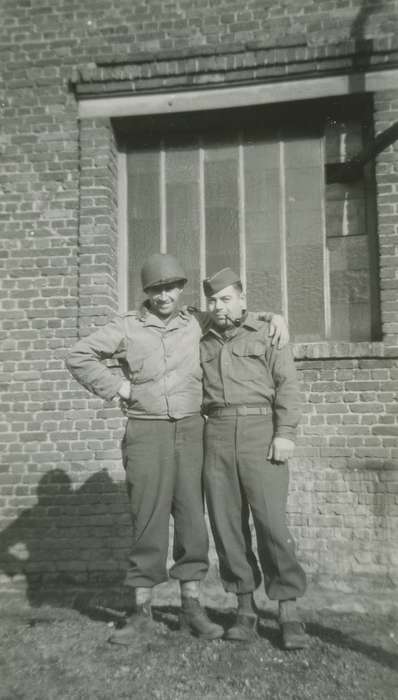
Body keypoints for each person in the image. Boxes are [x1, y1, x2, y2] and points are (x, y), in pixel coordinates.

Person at [66, 253, 287, 645]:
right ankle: (140, 613)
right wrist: (119, 387)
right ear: (146, 293)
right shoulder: (127, 327)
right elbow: (79, 356)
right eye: (155, 289)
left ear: (181, 289)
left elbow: (234, 312)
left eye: (170, 287)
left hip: (190, 431)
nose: (164, 295)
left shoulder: (196, 321)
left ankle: (191, 609)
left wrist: (274, 318)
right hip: (146, 432)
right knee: (148, 518)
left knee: (192, 521)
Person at [200, 267, 308, 650]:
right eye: (212, 300)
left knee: (271, 524)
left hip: (261, 433)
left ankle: (288, 612)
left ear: (243, 299)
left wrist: (285, 433)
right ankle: (244, 609)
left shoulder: (267, 332)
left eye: (226, 298)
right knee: (227, 526)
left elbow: (287, 385)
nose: (218, 306)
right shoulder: (201, 333)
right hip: (215, 434)